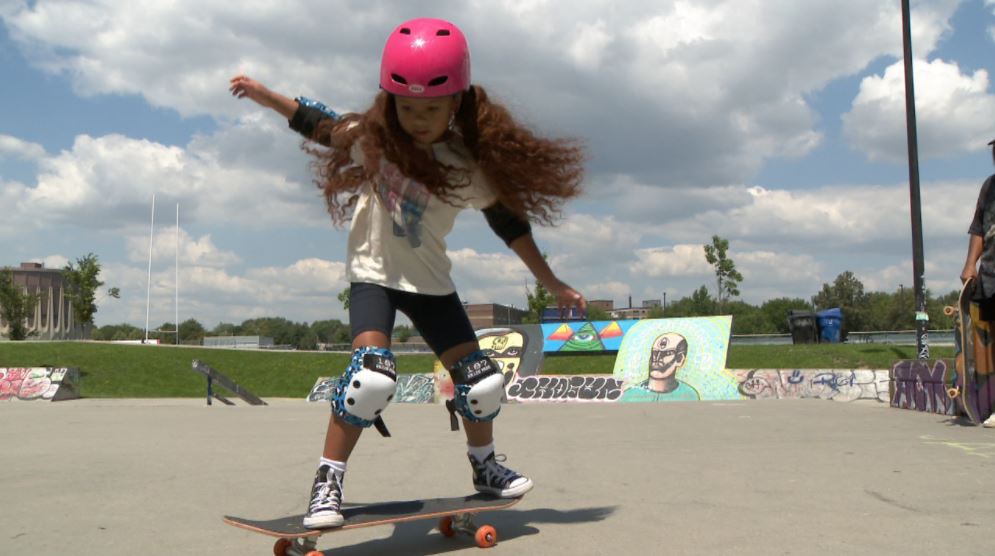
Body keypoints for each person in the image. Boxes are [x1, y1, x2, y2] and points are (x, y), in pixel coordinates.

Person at [229, 17, 587, 527]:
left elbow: (511, 226)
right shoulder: (371, 138)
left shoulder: (467, 167)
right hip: (373, 275)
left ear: (456, 104)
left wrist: (552, 282)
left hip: (430, 285)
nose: (418, 119)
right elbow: (318, 123)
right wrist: (265, 95)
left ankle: (485, 468)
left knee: (481, 383)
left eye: (431, 109)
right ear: (389, 101)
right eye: (407, 107)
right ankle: (326, 485)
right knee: (369, 380)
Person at [960, 137, 995, 428]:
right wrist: (971, 263)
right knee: (988, 346)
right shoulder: (989, 186)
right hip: (990, 277)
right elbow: (978, 229)